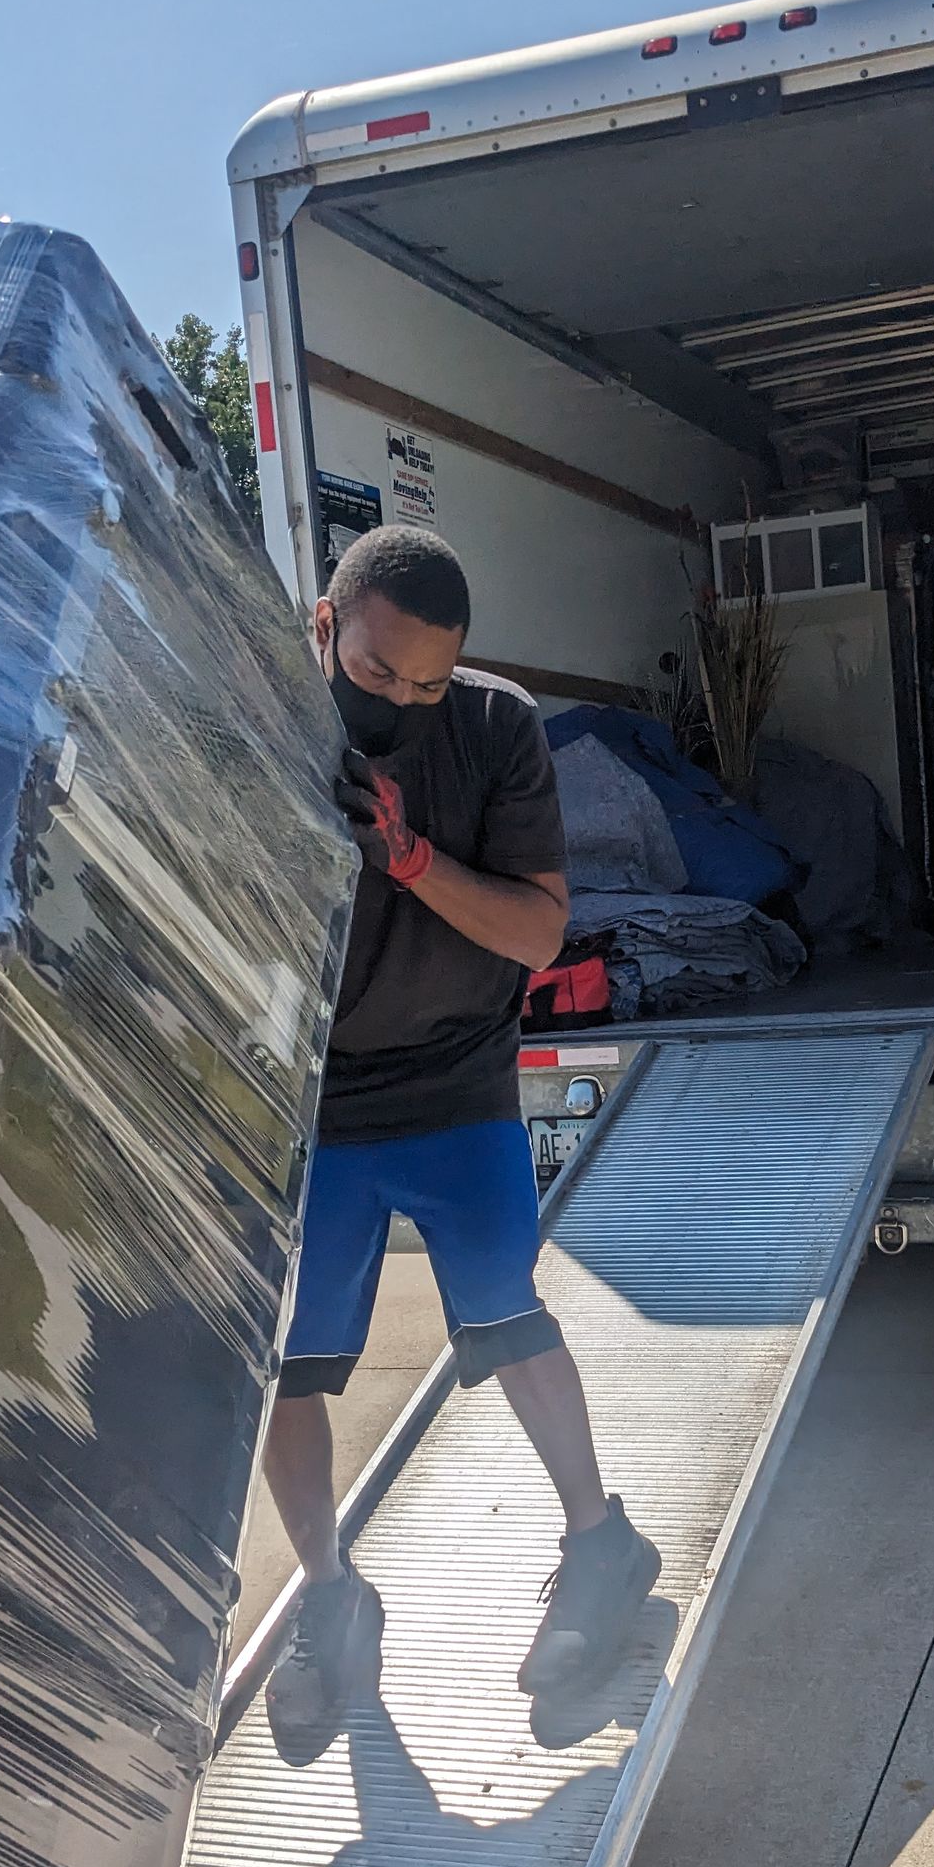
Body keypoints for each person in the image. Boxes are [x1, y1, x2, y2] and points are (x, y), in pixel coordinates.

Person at [261, 525, 658, 1765]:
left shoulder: (493, 730)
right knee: (294, 1365)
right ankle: (330, 1594)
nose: (399, 704)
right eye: (376, 675)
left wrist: (410, 854)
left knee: (504, 1311)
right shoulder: (267, 715)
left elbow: (540, 934)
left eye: (426, 683)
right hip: (312, 1104)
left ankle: (603, 1544)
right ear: (328, 626)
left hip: (457, 1082)